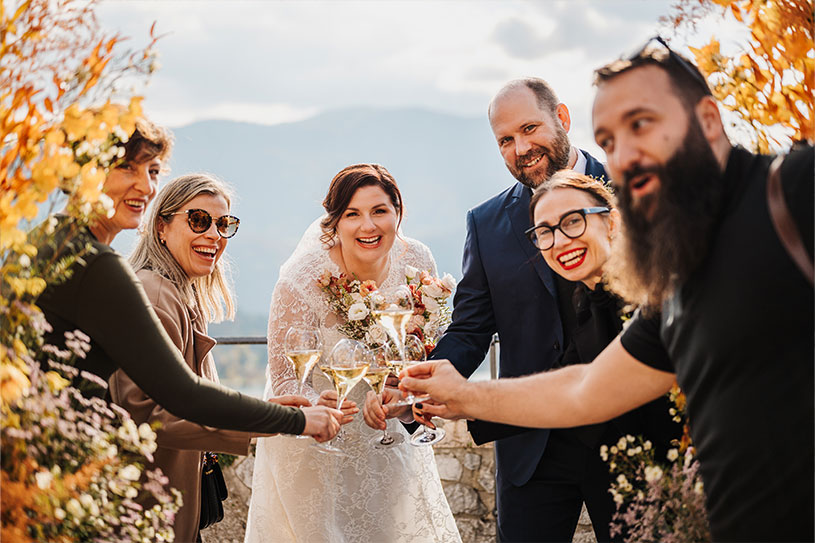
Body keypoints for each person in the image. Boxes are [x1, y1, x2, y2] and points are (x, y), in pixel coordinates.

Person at [400, 38, 813, 543]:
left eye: (642, 124)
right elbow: (585, 389)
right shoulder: (672, 288)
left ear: (708, 118)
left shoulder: (792, 192)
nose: (626, 155)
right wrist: (447, 392)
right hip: (555, 457)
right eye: (611, 141)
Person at [34, 116, 341, 443]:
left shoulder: (52, 242)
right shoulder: (98, 266)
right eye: (126, 167)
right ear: (82, 172)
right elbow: (182, 395)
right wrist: (295, 420)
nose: (146, 186)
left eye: (153, 171)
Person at [427, 77, 608, 541]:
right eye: (506, 140)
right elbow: (469, 329)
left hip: (628, 431)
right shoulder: (486, 222)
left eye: (530, 128)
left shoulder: (630, 193)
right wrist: (423, 385)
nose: (521, 148)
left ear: (562, 118)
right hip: (531, 446)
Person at [245, 164, 460, 543]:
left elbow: (428, 351)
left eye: (380, 211)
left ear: (398, 213)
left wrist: (403, 394)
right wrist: (317, 402)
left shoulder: (418, 264)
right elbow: (283, 377)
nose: (368, 226)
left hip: (387, 438)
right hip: (318, 446)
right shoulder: (302, 278)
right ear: (334, 223)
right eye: (352, 214)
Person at [109, 174, 310, 542]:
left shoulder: (179, 293)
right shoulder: (155, 296)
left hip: (168, 507)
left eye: (224, 224)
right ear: (162, 226)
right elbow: (149, 414)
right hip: (148, 513)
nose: (215, 234)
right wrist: (266, 422)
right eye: (199, 220)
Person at [509, 169, 680, 540]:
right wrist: (437, 401)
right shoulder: (585, 300)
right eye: (545, 232)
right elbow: (563, 379)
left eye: (572, 221)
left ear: (612, 221)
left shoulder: (654, 294)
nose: (559, 241)